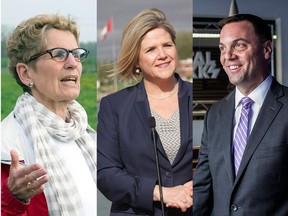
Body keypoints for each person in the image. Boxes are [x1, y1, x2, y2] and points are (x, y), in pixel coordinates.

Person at [97, 8, 193, 216]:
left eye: (167, 45)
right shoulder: (114, 106)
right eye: (150, 50)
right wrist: (159, 192)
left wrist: (199, 184)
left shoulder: (198, 98)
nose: (163, 55)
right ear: (136, 60)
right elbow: (106, 175)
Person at [1, 14, 96, 216]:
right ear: (26, 73)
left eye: (76, 54)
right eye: (59, 54)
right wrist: (13, 199)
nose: (73, 63)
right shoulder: (6, 147)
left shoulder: (88, 136)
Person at [193, 13, 288, 215]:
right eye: (222, 48)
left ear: (266, 50)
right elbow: (202, 188)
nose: (228, 56)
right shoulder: (215, 115)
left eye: (239, 45)